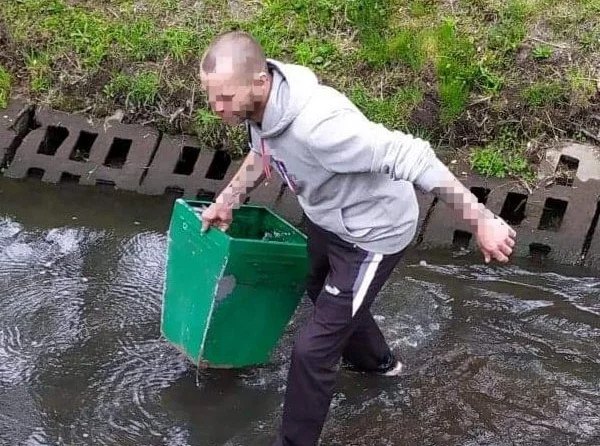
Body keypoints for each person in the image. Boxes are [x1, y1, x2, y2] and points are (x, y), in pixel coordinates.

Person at [198, 30, 516, 446]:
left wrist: (482, 220)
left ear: (260, 80)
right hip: (330, 218)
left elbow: (414, 156)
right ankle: (378, 365)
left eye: (224, 98)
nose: (216, 109)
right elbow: (262, 155)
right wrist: (227, 200)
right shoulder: (259, 108)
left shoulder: (320, 126)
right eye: (211, 98)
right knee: (314, 282)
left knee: (312, 351)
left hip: (371, 234)